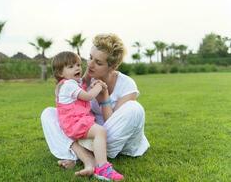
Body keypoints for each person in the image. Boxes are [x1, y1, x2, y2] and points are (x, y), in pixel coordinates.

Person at [41, 33, 150, 177]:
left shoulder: (127, 85)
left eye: (98, 62)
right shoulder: (82, 78)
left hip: (115, 138)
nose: (90, 65)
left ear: (112, 66)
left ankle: (77, 152)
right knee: (48, 113)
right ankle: (87, 157)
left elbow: (114, 125)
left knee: (135, 109)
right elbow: (69, 113)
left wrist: (104, 97)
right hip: (90, 134)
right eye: (90, 57)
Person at [51, 51, 124, 181]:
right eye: (71, 66)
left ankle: (93, 163)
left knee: (98, 133)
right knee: (100, 131)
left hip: (76, 121)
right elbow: (88, 96)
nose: (77, 68)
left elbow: (84, 83)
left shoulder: (74, 83)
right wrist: (99, 86)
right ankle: (103, 168)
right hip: (74, 123)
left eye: (78, 65)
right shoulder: (68, 85)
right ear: (60, 73)